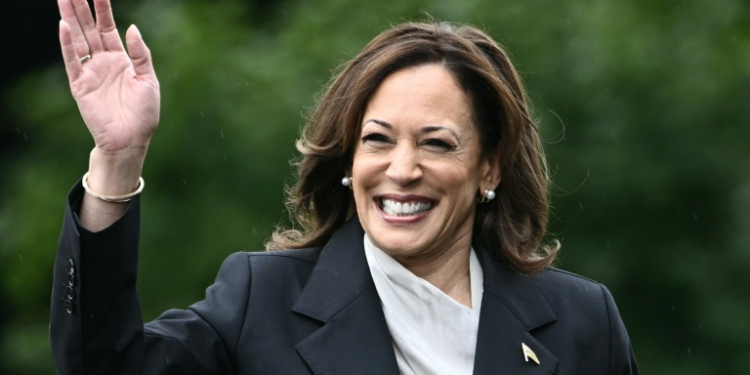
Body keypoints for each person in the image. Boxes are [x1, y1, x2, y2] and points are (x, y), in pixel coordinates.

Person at [50, 0, 639, 374]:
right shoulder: (264, 301)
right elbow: (104, 365)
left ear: (490, 167)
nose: (402, 169)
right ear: (348, 160)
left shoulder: (581, 320)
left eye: (436, 143)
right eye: (378, 140)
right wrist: (118, 160)